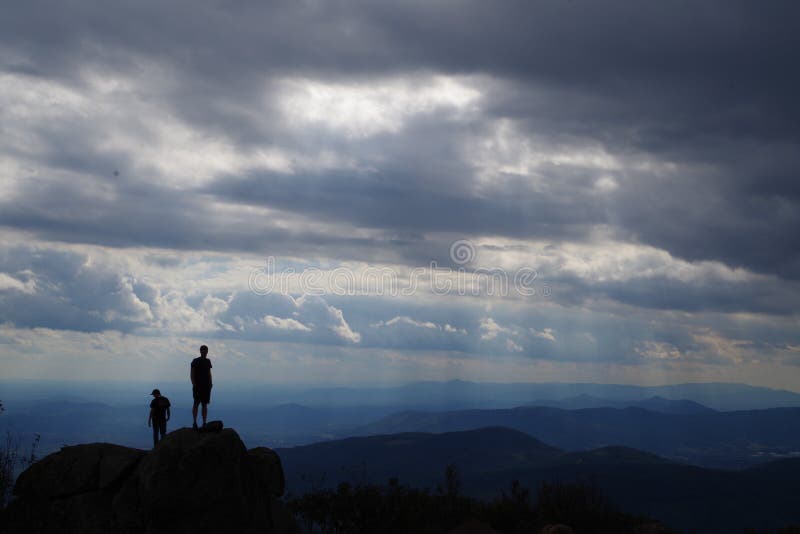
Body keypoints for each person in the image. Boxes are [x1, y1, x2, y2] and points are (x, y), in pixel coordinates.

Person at [191, 344, 213, 430]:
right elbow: (192, 374)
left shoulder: (208, 361)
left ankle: (204, 423)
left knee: (204, 404)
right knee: (196, 404)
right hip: (198, 386)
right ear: (200, 351)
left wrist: (210, 383)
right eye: (203, 351)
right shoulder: (195, 361)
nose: (204, 352)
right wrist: (194, 384)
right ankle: (195, 422)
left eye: (205, 351)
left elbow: (209, 373)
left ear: (207, 352)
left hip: (206, 386)